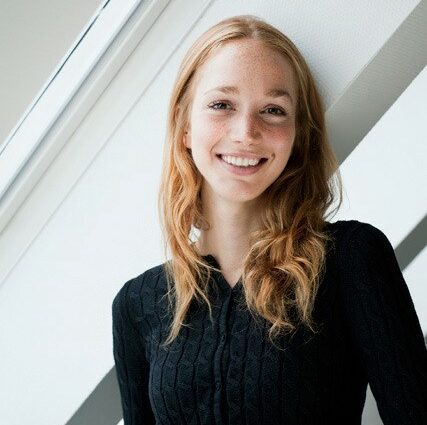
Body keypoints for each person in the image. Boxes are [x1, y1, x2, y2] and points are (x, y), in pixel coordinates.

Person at [112, 14, 427, 425]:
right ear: (185, 125)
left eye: (274, 110)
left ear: (297, 137)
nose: (246, 132)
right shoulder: (137, 304)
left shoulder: (351, 259)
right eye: (222, 104)